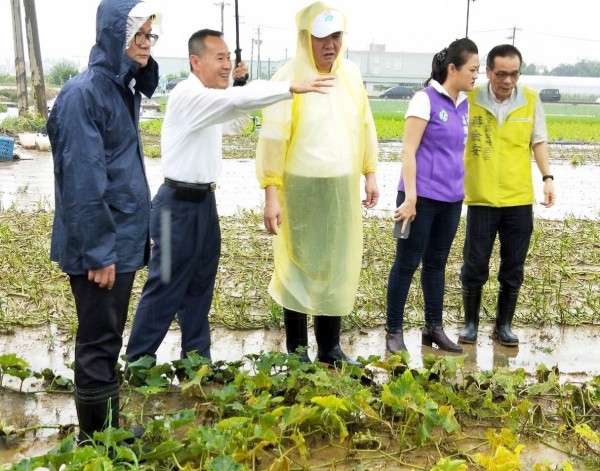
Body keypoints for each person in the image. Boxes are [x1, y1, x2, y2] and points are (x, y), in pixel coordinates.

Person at [125, 29, 332, 366]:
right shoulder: (187, 95)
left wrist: (238, 85)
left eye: (229, 58)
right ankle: (137, 362)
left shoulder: (210, 98)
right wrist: (287, 87)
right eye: (219, 58)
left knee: (199, 287)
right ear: (195, 61)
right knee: (163, 286)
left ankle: (197, 363)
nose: (226, 65)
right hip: (172, 207)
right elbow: (233, 103)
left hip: (204, 205)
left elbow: (235, 123)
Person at [46, 0, 161, 441]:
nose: (146, 44)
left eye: (150, 36)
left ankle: (106, 433)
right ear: (115, 34)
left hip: (122, 242)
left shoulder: (120, 90)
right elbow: (83, 183)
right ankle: (95, 443)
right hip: (101, 248)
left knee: (108, 338)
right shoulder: (83, 94)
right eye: (139, 35)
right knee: (97, 342)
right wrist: (98, 253)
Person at [256, 2, 379, 367]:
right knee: (297, 267)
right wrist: (271, 194)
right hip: (300, 189)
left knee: (335, 266)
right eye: (322, 37)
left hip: (340, 188)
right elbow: (273, 140)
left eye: (336, 36)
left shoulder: (351, 76)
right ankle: (297, 352)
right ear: (306, 38)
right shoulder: (289, 78)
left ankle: (330, 347)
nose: (330, 45)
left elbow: (365, 125)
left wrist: (369, 173)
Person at [385, 38, 480, 354]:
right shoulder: (424, 100)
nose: (475, 75)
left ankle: (433, 329)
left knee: (436, 263)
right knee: (406, 263)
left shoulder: (464, 105)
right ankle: (394, 332)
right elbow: (408, 151)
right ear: (452, 69)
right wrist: (409, 198)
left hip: (451, 199)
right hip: (418, 198)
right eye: (472, 69)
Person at [458, 44, 556, 347]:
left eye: (514, 74)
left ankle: (504, 325)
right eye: (501, 74)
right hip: (481, 198)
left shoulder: (530, 99)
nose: (507, 80)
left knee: (513, 265)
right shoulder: (470, 98)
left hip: (518, 198)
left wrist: (548, 177)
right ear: (488, 71)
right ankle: (470, 323)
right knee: (474, 265)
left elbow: (538, 140)